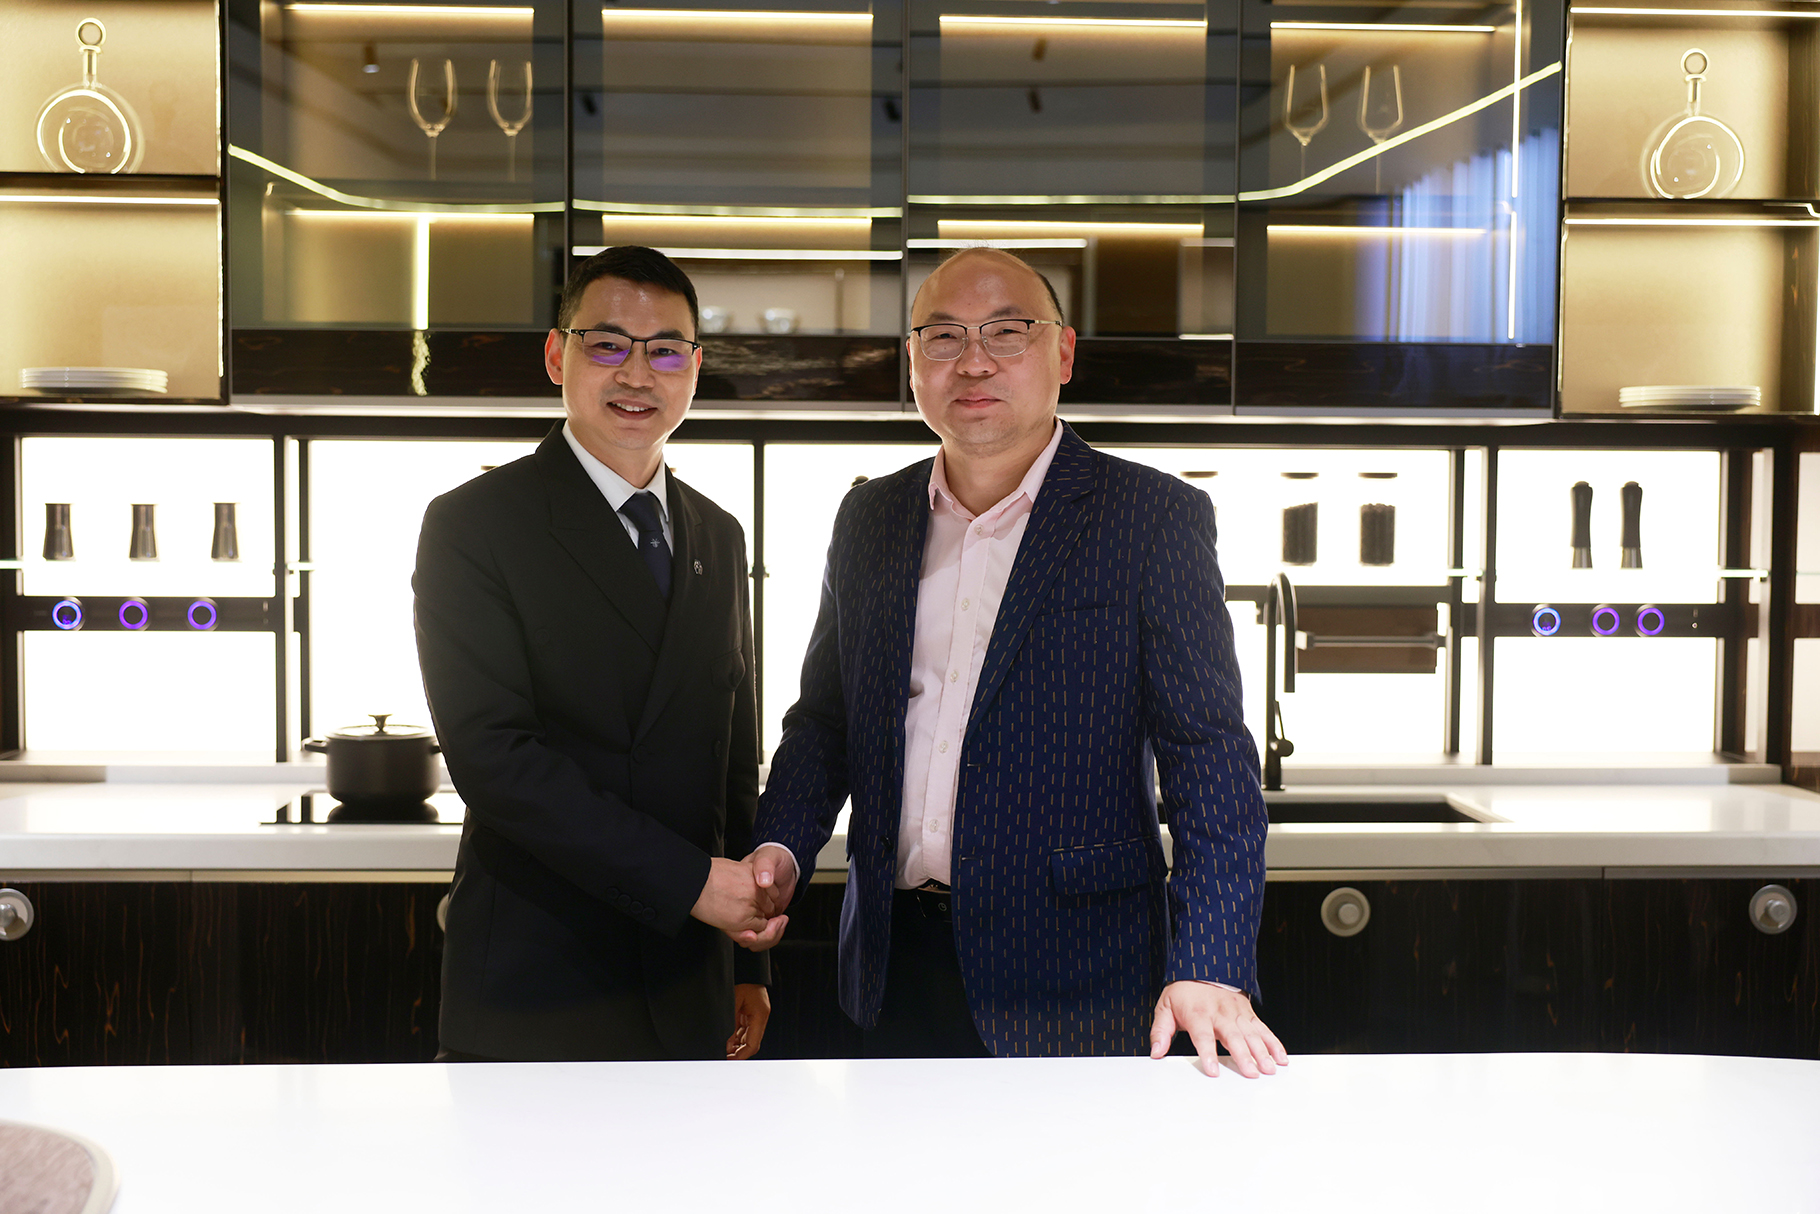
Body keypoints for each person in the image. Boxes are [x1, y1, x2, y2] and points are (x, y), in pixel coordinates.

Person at [745, 246, 1286, 1077]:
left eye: (1006, 332)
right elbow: (825, 721)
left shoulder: (1152, 517)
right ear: (912, 362)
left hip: (1078, 978)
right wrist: (781, 846)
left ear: (1062, 354)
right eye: (944, 336)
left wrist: (1210, 962)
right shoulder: (868, 518)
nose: (974, 361)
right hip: (890, 969)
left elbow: (1208, 758)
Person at [414, 246, 781, 1062]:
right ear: (558, 356)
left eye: (666, 351)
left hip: (689, 977)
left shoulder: (718, 534)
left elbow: (731, 760)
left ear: (694, 367)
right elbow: (495, 759)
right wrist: (691, 884)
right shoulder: (475, 524)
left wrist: (748, 960)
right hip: (540, 976)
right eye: (608, 344)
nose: (637, 375)